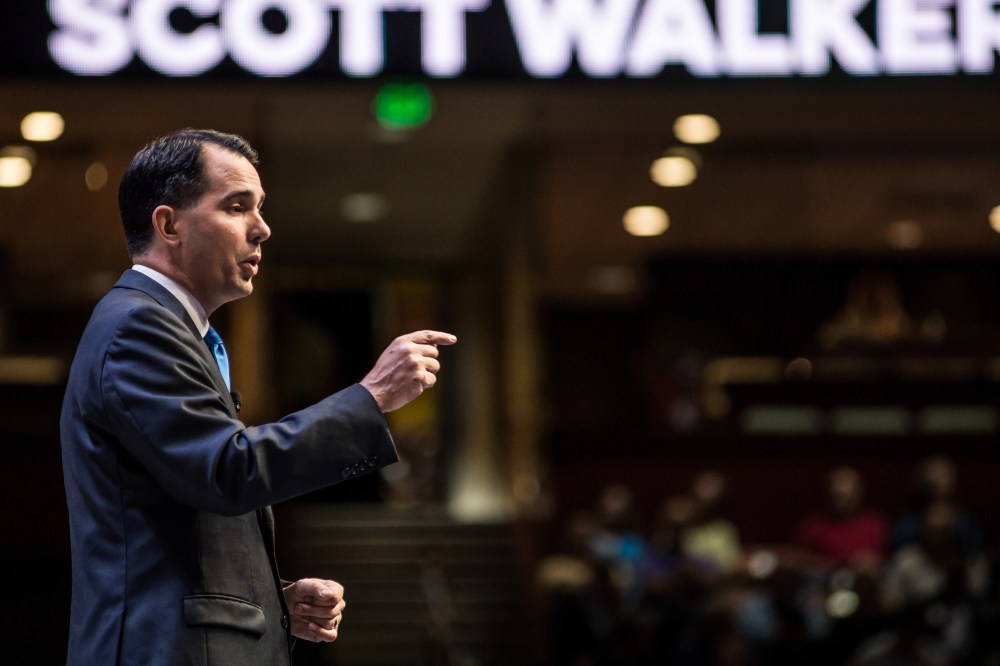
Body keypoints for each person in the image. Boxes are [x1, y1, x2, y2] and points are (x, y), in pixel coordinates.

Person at [59, 128, 456, 665]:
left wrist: (273, 597)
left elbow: (181, 515)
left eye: (260, 208)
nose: (262, 229)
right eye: (237, 207)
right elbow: (228, 471)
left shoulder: (162, 327)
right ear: (168, 223)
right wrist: (372, 396)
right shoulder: (139, 327)